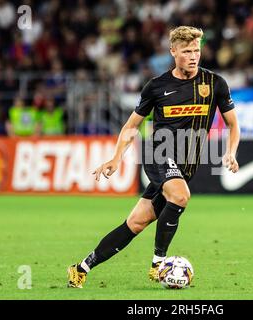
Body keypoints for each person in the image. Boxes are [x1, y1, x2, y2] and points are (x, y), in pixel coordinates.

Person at [67, 26, 240, 288]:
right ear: (173, 52)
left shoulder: (214, 84)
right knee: (181, 196)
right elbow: (131, 126)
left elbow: (233, 125)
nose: (193, 56)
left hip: (185, 166)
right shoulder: (157, 86)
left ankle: (81, 268)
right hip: (159, 153)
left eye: (196, 50)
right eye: (186, 51)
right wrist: (116, 158)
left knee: (136, 222)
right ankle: (159, 263)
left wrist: (230, 151)